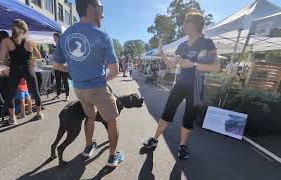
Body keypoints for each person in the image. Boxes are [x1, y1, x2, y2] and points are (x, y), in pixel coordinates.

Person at [53, 0, 124, 167]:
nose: (102, 11)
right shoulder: (102, 35)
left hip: (78, 89)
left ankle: (87, 147)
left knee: (90, 117)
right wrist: (100, 80)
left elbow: (56, 65)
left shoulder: (65, 35)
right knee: (112, 121)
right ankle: (112, 157)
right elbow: (114, 70)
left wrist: (76, 73)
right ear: (91, 8)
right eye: (101, 7)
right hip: (98, 88)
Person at [143, 13, 220, 160]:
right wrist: (161, 51)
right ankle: (155, 139)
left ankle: (182, 146)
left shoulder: (207, 42)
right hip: (181, 84)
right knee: (167, 112)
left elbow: (216, 66)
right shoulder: (182, 45)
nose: (183, 24)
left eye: (186, 22)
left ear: (195, 25)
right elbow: (171, 65)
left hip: (196, 87)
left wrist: (194, 64)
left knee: (188, 118)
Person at [0, 19, 44, 125]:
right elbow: (39, 56)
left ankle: (12, 118)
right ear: (25, 28)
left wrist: (9, 61)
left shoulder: (6, 41)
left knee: (10, 95)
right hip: (28, 68)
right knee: (35, 91)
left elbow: (1, 58)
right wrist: (31, 59)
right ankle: (38, 113)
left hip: (14, 69)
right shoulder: (30, 41)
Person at [52, 32, 70, 101]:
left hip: (64, 66)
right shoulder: (56, 46)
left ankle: (67, 96)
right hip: (57, 67)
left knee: (65, 81)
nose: (54, 40)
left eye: (55, 38)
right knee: (58, 81)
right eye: (53, 38)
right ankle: (58, 95)